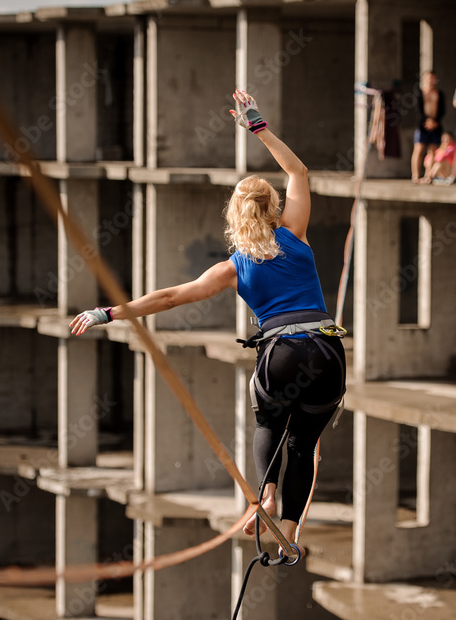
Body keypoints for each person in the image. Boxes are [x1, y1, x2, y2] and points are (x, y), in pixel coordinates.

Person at [70, 90, 345, 564]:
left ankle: (266, 494)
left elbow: (171, 297)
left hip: (280, 353)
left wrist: (108, 313)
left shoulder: (233, 267)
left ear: (236, 217)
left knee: (268, 419)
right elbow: (299, 171)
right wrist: (258, 127)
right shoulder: (294, 233)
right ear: (274, 206)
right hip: (325, 348)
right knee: (304, 443)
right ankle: (291, 530)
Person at [411, 71, 445, 184]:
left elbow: (442, 110)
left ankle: (428, 176)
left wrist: (435, 122)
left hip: (435, 125)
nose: (431, 81)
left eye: (433, 79)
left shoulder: (439, 93)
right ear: (424, 79)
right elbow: (418, 109)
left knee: (432, 151)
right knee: (419, 149)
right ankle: (415, 176)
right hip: (422, 125)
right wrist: (426, 121)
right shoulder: (420, 92)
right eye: (429, 79)